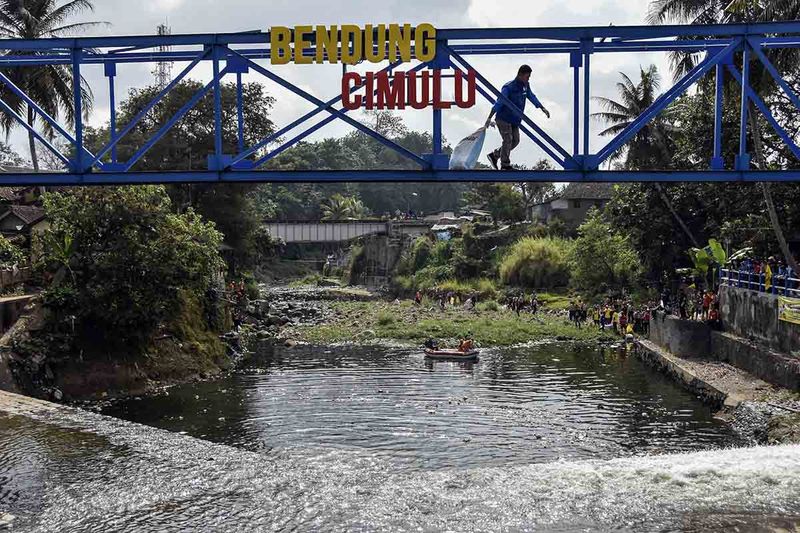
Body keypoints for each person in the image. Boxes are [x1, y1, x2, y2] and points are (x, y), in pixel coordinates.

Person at [485, 64, 551, 170]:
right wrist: (489, 117)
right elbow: (499, 102)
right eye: (527, 76)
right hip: (503, 118)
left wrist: (541, 107)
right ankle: (505, 165)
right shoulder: (509, 87)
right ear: (520, 75)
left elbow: (531, 96)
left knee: (516, 140)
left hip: (515, 120)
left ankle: (495, 155)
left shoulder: (525, 86)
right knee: (508, 139)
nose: (528, 79)